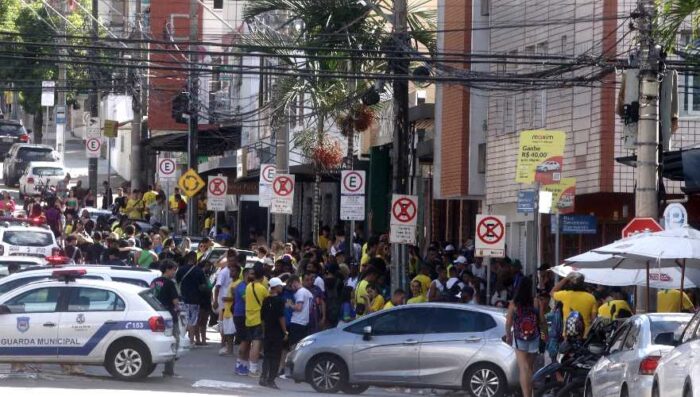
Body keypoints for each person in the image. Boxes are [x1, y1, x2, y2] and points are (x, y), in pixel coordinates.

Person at [506, 278, 546, 397]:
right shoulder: (536, 301)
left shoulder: (514, 303)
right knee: (530, 368)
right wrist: (545, 335)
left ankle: (526, 395)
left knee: (523, 368)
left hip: (519, 338)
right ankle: (531, 393)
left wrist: (508, 336)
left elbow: (508, 322)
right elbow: (542, 320)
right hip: (534, 337)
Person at [150, 260, 180, 377]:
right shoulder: (170, 283)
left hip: (155, 315)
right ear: (167, 269)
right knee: (173, 342)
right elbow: (175, 301)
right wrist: (178, 309)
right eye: (173, 270)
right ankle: (169, 370)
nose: (174, 273)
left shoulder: (154, 282)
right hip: (169, 316)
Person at [259, 277, 288, 389]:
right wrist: (285, 331)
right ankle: (271, 379)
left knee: (267, 355)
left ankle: (263, 376)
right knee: (276, 356)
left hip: (268, 331)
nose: (282, 287)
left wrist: (264, 329)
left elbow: (262, 317)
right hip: (277, 332)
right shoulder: (280, 301)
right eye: (280, 286)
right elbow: (281, 317)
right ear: (276, 287)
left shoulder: (266, 300)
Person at [176, 252, 208, 345]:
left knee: (183, 320)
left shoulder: (180, 270)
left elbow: (177, 282)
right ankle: (191, 341)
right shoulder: (199, 271)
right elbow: (203, 286)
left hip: (183, 299)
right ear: (195, 259)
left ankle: (182, 339)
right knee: (193, 321)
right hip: (195, 300)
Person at [244, 262, 268, 377]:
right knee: (257, 344)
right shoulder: (263, 289)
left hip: (248, 318)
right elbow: (267, 303)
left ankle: (248, 366)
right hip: (258, 319)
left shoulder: (248, 287)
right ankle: (253, 369)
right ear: (263, 277)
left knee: (251, 343)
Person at [234, 263, 253, 376]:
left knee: (248, 341)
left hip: (248, 315)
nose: (253, 275)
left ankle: (244, 365)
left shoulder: (249, 286)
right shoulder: (242, 287)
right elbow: (248, 300)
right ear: (246, 275)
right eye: (251, 274)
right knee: (244, 340)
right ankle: (238, 364)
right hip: (240, 315)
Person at [288, 274, 313, 346]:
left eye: (291, 285)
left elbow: (299, 307)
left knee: (294, 345)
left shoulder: (300, 292)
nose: (291, 288)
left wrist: (290, 304)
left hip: (297, 322)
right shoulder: (308, 292)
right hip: (305, 322)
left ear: (295, 282)